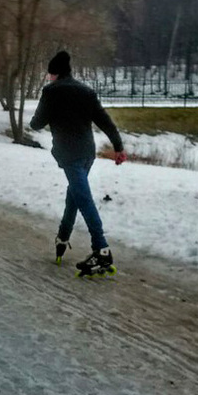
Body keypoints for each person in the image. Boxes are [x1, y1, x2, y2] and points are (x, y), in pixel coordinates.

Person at [30, 50, 127, 274]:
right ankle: (62, 238)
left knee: (83, 198)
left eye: (49, 74)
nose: (48, 78)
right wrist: (118, 147)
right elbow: (106, 122)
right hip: (87, 154)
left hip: (69, 155)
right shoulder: (86, 92)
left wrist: (47, 114)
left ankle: (101, 250)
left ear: (54, 74)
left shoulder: (51, 91)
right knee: (74, 195)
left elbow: (37, 123)